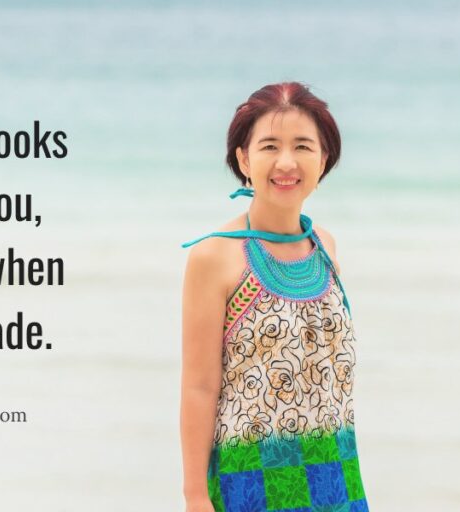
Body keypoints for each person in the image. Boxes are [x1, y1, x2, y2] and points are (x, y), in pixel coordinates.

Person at [179, 82, 368, 512]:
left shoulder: (325, 246)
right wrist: (194, 496)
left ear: (324, 160)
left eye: (303, 146)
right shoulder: (215, 256)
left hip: (335, 476)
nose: (286, 162)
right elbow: (199, 386)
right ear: (245, 159)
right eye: (269, 146)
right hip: (248, 482)